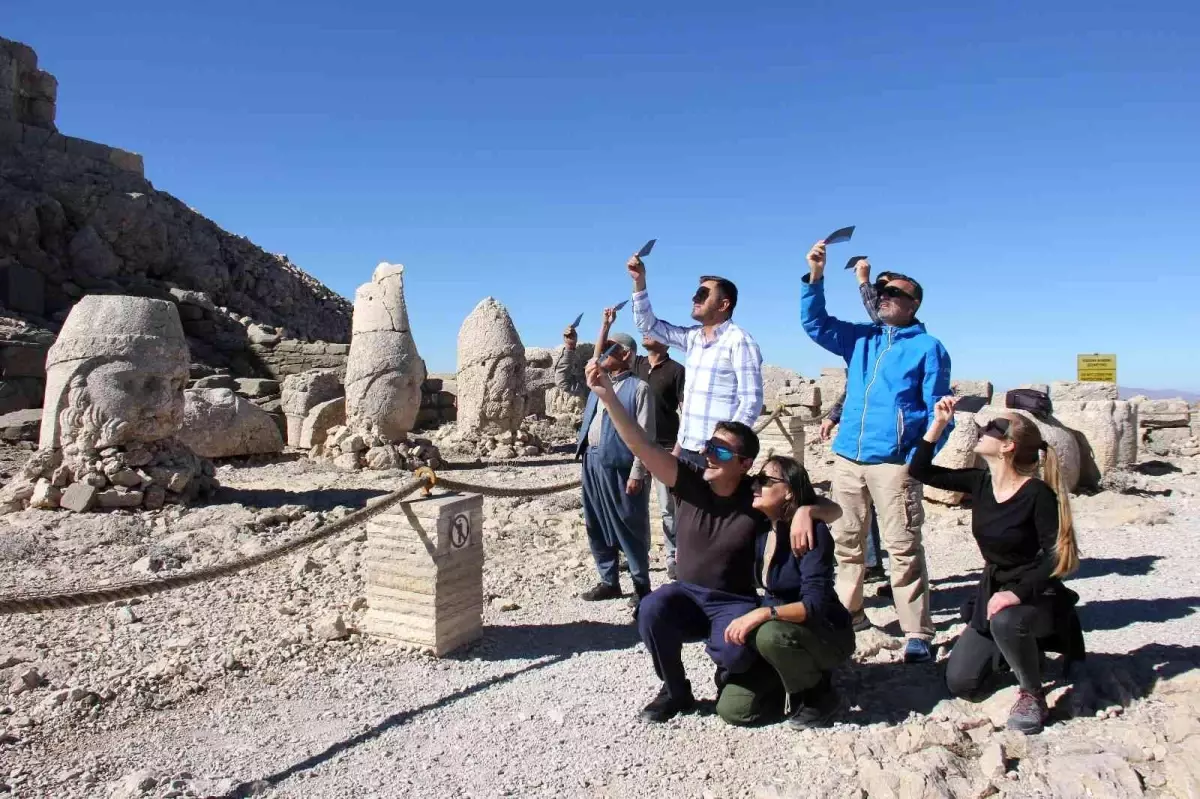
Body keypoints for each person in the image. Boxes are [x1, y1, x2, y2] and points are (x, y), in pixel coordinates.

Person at [582, 360, 840, 723]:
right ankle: (675, 690)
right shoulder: (689, 481)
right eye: (708, 447)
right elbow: (641, 445)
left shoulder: (756, 495)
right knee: (652, 609)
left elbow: (832, 509)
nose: (708, 455)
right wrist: (609, 399)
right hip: (687, 594)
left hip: (733, 602)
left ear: (744, 463)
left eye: (720, 452)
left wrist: (806, 512)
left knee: (735, 654)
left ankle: (759, 676)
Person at [801, 242, 952, 663]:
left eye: (894, 292)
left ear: (914, 304)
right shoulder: (861, 338)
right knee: (847, 542)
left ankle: (916, 631)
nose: (884, 295)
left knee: (903, 548)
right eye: (881, 290)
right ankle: (850, 615)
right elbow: (815, 324)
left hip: (894, 464)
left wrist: (917, 459)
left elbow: (940, 411)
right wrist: (816, 276)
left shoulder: (928, 348)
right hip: (848, 458)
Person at [910, 398, 1083, 735]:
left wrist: (1016, 594)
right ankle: (1019, 646)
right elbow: (920, 471)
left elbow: (1055, 557)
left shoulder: (1037, 495)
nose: (983, 431)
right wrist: (938, 425)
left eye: (992, 429)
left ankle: (1033, 694)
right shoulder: (980, 482)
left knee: (1005, 619)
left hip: (1034, 592)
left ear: (1007, 446)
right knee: (963, 683)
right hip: (994, 588)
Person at [715, 455, 856, 729]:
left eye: (766, 481)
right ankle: (789, 683)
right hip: (780, 631)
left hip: (821, 631)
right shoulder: (761, 525)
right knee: (733, 709)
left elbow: (814, 606)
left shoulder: (811, 533)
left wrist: (807, 511)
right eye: (756, 480)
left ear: (789, 490)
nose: (756, 485)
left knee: (768, 634)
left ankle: (819, 694)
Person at [627, 253, 763, 469]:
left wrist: (725, 448)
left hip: (718, 456)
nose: (694, 299)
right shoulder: (693, 339)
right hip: (688, 451)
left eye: (703, 294)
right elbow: (648, 326)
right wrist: (639, 281)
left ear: (723, 304)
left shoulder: (739, 341)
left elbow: (751, 402)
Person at [597, 307, 687, 581]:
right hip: (635, 451)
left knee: (667, 509)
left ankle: (672, 557)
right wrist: (606, 326)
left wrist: (678, 448)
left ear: (665, 339)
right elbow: (601, 358)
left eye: (654, 330)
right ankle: (638, 556)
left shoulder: (676, 370)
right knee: (635, 509)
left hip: (663, 447)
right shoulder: (635, 366)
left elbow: (685, 409)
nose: (647, 331)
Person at [574, 331, 656, 609]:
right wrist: (598, 331)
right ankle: (609, 581)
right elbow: (565, 379)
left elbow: (646, 435)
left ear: (626, 355)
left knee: (629, 524)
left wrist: (637, 472)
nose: (604, 354)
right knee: (595, 522)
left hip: (621, 466)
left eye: (612, 349)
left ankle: (641, 584)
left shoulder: (639, 389)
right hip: (593, 461)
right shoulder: (596, 383)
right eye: (604, 349)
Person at [822, 393, 886, 587]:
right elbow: (853, 389)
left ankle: (872, 564)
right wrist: (834, 417)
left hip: (885, 444)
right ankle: (867, 564)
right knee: (855, 509)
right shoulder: (859, 366)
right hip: (853, 445)